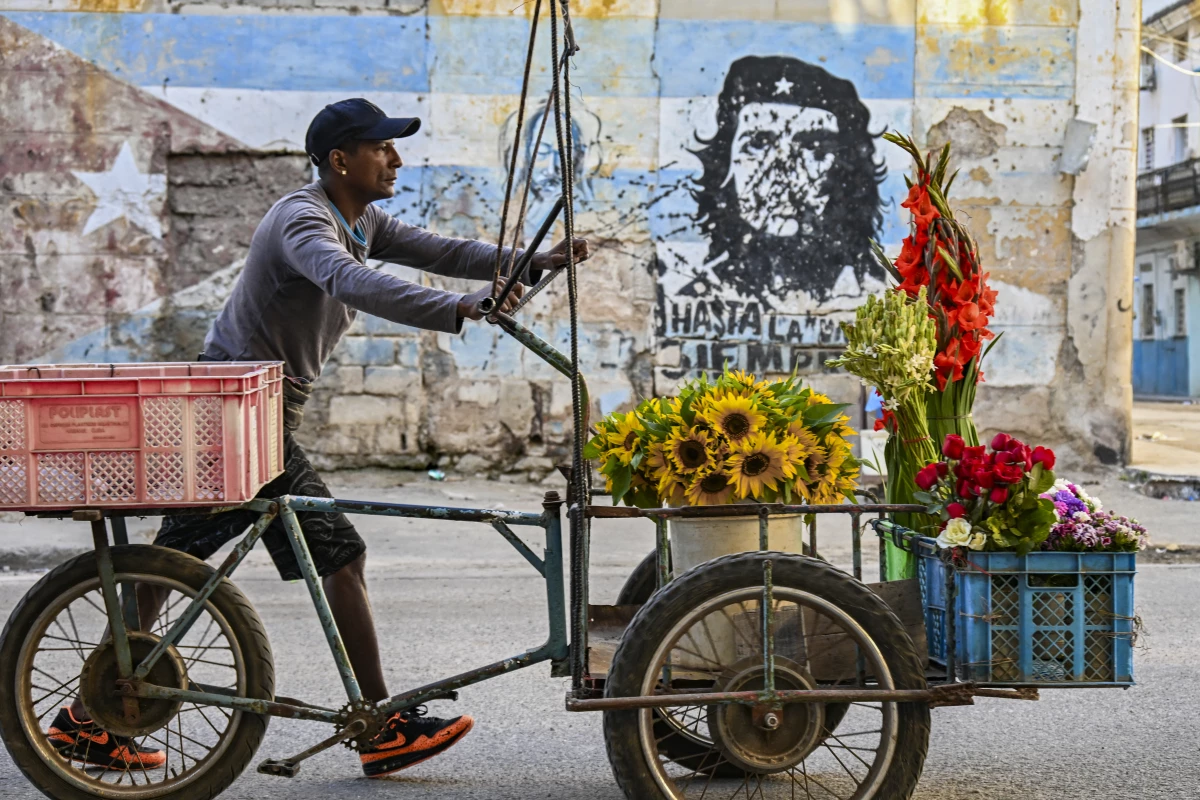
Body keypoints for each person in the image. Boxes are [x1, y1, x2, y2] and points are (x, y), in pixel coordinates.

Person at [46, 98, 590, 778]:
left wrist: (534, 260)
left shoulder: (360, 219)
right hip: (236, 414)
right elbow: (349, 281)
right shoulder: (302, 219)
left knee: (170, 563)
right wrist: (458, 306)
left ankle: (86, 718)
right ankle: (380, 722)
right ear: (340, 160)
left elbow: (445, 250)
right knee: (338, 556)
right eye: (382, 148)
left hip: (254, 410)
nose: (396, 159)